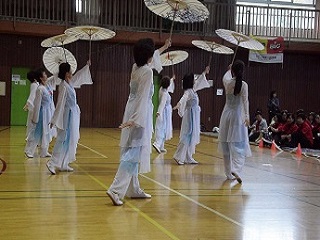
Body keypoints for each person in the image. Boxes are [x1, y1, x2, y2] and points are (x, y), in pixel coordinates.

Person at [107, 38, 171, 206]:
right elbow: (143, 97)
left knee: (132, 149)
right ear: (148, 56)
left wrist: (164, 47)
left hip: (132, 109)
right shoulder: (148, 72)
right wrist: (135, 120)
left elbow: (153, 58)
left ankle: (133, 188)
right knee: (134, 152)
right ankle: (115, 189)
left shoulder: (136, 67)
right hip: (140, 113)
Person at [46, 61, 92, 174]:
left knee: (70, 139)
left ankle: (63, 163)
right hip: (66, 115)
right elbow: (60, 103)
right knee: (62, 139)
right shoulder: (63, 86)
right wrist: (54, 120)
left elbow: (79, 76)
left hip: (72, 115)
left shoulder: (69, 83)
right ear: (67, 73)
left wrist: (86, 66)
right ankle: (52, 163)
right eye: (70, 71)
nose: (72, 73)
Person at [218, 60, 251, 184]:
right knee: (239, 145)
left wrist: (229, 70)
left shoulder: (227, 83)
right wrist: (247, 116)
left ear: (233, 71)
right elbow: (245, 101)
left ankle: (228, 173)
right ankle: (236, 169)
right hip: (237, 116)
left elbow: (225, 77)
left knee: (226, 145)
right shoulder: (244, 85)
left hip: (226, 115)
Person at [172, 66, 210, 165]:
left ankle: (188, 157)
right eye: (193, 79)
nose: (195, 80)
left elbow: (200, 80)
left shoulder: (193, 89)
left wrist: (205, 72)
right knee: (186, 135)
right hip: (190, 117)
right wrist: (178, 104)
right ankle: (178, 156)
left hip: (194, 115)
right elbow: (183, 98)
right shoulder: (188, 92)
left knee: (190, 136)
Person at [24, 68, 59, 158]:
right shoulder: (40, 89)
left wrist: (59, 66)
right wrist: (35, 118)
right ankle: (29, 151)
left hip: (48, 113)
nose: (46, 76)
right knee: (37, 132)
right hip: (41, 114)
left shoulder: (47, 86)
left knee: (47, 132)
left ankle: (44, 151)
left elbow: (54, 77)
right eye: (44, 75)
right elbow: (37, 104)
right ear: (40, 77)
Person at [153, 75, 175, 154]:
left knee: (163, 128)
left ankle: (161, 146)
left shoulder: (161, 89)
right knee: (163, 128)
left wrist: (172, 79)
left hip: (165, 111)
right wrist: (159, 112)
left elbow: (168, 87)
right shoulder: (165, 93)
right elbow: (162, 103)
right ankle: (157, 144)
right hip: (165, 112)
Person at [23, 70, 39, 142]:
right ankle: (30, 137)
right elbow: (32, 95)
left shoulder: (36, 84)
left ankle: (32, 137)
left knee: (33, 123)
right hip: (34, 107)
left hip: (35, 106)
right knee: (33, 123)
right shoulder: (34, 85)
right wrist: (27, 103)